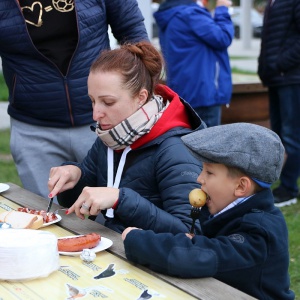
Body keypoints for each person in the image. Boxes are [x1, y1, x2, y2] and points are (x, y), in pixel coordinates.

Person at [122, 123, 295, 300]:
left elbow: (196, 257)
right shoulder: (224, 210)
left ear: (241, 186)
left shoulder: (260, 232)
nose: (199, 179)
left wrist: (138, 240)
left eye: (209, 173)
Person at [48, 41, 206, 234]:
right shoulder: (112, 135)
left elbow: (189, 232)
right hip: (118, 250)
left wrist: (119, 199)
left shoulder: (175, 150)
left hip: (150, 262)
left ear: (141, 98)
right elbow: (81, 196)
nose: (96, 114)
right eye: (92, 101)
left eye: (108, 102)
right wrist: (74, 175)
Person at [0, 0, 148, 200]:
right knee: (48, 220)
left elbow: (133, 32)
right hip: (34, 128)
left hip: (105, 123)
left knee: (114, 215)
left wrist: (143, 88)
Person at [153, 0, 234, 127]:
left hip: (184, 91)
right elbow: (222, 37)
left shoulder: (171, 14)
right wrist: (222, 9)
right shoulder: (191, 14)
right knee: (210, 144)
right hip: (203, 93)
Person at [258, 0, 300, 207]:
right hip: (276, 77)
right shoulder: (273, 3)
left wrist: (280, 63)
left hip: (291, 77)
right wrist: (266, 68)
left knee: (292, 136)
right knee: (279, 134)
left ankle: (289, 188)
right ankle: (281, 185)